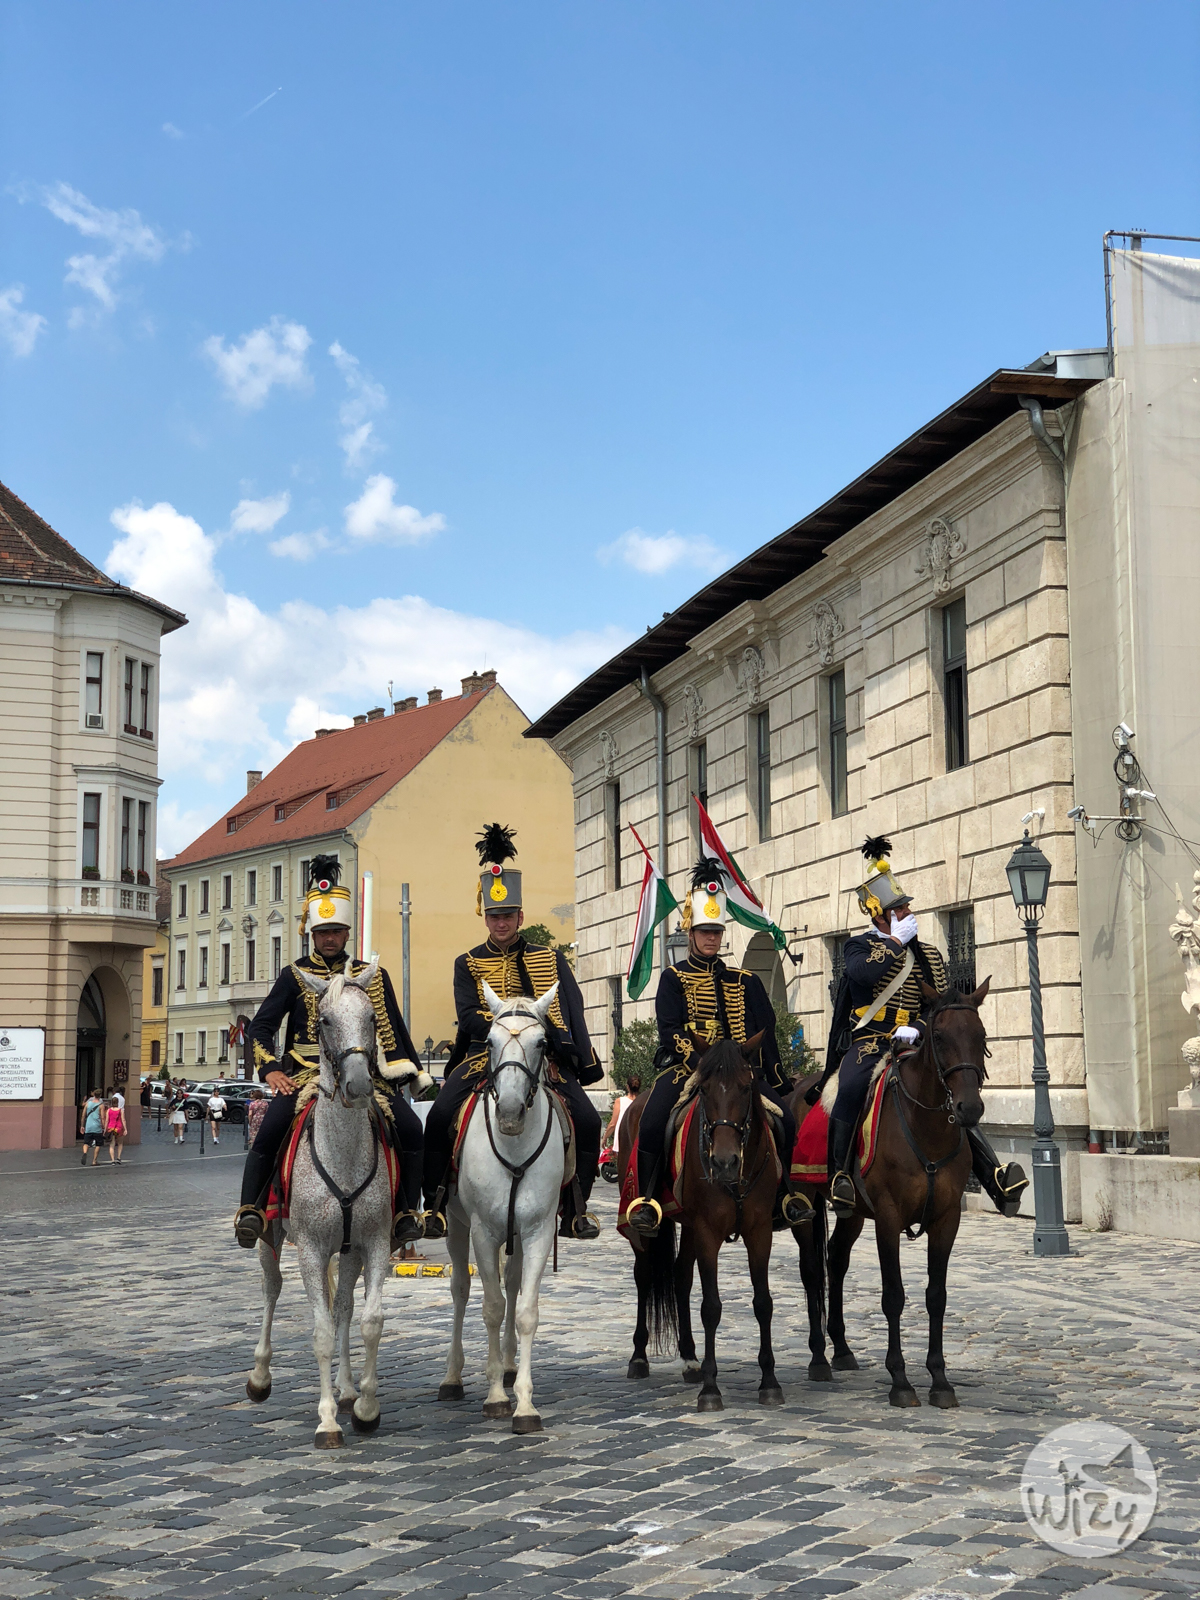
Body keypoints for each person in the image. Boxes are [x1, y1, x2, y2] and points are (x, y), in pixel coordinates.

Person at [822, 836, 1029, 1219]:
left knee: (953, 1093)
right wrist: (895, 944)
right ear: (880, 915)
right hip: (870, 1042)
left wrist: (917, 1027)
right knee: (848, 1088)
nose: (908, 912)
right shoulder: (858, 947)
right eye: (899, 908)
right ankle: (840, 1177)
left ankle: (993, 1176)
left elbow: (942, 1005)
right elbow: (863, 976)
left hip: (916, 1043)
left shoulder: (929, 954)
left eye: (906, 907)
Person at [233, 855, 429, 1251]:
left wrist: (406, 1073)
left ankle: (408, 1212)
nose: (329, 938)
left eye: (336, 931)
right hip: (308, 1076)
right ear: (312, 932)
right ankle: (251, 1209)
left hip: (365, 1074)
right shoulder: (293, 976)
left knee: (410, 1128)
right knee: (271, 1130)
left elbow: (391, 1028)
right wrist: (270, 1069)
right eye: (322, 931)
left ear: (347, 933)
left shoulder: (371, 976)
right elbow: (260, 1027)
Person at [423, 823, 603, 1241]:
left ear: (520, 916)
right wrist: (504, 1031)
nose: (500, 922)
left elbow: (568, 1011)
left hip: (542, 1056)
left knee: (589, 1120)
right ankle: (434, 1206)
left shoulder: (549, 958)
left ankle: (576, 1209)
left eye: (507, 915)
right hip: (482, 1054)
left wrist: (556, 1043)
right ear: (484, 917)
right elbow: (468, 1016)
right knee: (440, 1115)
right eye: (494, 916)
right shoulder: (467, 963)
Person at [625, 856, 799, 1238]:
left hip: (738, 1071)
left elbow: (765, 1030)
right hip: (690, 1068)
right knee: (652, 1123)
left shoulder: (745, 980)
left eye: (717, 932)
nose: (711, 938)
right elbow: (670, 1030)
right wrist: (700, 1062)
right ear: (690, 932)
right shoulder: (673, 978)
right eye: (705, 931)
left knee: (786, 1120)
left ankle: (784, 1196)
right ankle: (649, 1201)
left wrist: (776, 1078)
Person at [604, 1074, 641, 1151]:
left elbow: (613, 1124)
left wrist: (605, 1137)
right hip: (637, 1140)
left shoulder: (620, 1101)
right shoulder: (643, 1101)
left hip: (622, 1139)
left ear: (627, 1087)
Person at [80, 1090, 105, 1165]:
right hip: (97, 1126)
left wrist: (82, 1126)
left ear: (94, 1095)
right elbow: (102, 1117)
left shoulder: (88, 1104)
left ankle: (85, 1152)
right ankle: (94, 1161)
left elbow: (83, 1115)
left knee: (86, 1142)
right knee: (98, 1144)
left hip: (88, 1126)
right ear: (100, 1095)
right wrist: (104, 1127)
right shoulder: (101, 1105)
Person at [104, 1094, 127, 1163]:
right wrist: (125, 1129)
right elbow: (123, 1120)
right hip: (118, 1128)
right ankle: (118, 1157)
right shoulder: (120, 1110)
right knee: (120, 1143)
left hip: (111, 1128)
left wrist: (105, 1129)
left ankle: (112, 1160)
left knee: (112, 1144)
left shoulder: (109, 1110)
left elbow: (107, 1120)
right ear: (118, 1103)